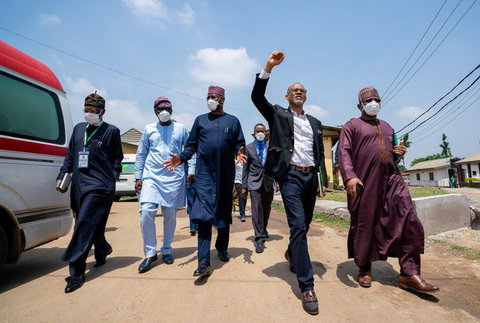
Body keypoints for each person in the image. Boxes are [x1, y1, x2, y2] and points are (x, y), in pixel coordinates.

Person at [338, 86, 439, 294]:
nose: (373, 103)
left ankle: (409, 273)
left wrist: (399, 153)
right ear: (360, 105)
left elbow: (391, 155)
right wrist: (350, 175)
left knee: (409, 218)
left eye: (376, 99)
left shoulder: (387, 127)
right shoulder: (351, 126)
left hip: (392, 180)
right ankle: (364, 267)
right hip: (364, 183)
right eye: (368, 100)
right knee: (365, 225)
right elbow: (344, 153)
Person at [251, 51, 328, 315]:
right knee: (297, 225)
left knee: (304, 225)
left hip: (310, 177)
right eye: (294, 90)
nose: (299, 92)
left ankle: (293, 254)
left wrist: (322, 181)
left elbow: (320, 153)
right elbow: (257, 97)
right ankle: (307, 286)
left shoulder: (315, 122)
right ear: (287, 96)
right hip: (290, 176)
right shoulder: (279, 115)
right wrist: (268, 68)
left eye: (302, 90)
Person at [164, 85, 246, 277]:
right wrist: (180, 158)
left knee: (223, 213)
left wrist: (240, 152)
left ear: (223, 99)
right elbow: (191, 145)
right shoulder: (200, 120)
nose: (210, 99)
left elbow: (238, 143)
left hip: (225, 176)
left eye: (214, 96)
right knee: (203, 217)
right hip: (204, 177)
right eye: (208, 96)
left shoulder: (233, 121)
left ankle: (222, 247)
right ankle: (203, 262)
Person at [56, 92, 123, 293]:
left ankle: (76, 271)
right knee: (87, 222)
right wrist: (62, 175)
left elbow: (117, 159)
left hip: (100, 186)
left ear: (102, 112)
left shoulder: (111, 131)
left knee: (83, 226)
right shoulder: (78, 130)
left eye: (94, 111)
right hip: (78, 185)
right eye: (87, 110)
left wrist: (112, 178)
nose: (89, 114)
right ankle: (101, 249)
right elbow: (70, 156)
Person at [135, 97, 192, 273]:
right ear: (155, 112)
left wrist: (192, 171)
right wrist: (138, 176)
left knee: (170, 216)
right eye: (160, 109)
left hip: (174, 177)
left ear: (172, 111)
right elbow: (141, 153)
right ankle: (150, 253)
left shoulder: (181, 128)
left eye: (167, 108)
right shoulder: (149, 129)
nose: (164, 111)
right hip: (151, 176)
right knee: (146, 212)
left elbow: (191, 150)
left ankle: (166, 249)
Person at [242, 123, 275, 253]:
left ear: (265, 133)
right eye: (258, 131)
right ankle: (259, 239)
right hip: (254, 182)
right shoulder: (248, 148)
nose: (260, 133)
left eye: (262, 131)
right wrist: (244, 186)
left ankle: (263, 228)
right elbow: (245, 169)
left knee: (266, 210)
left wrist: (277, 180)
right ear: (254, 133)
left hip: (268, 182)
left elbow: (274, 165)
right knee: (256, 210)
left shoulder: (270, 147)